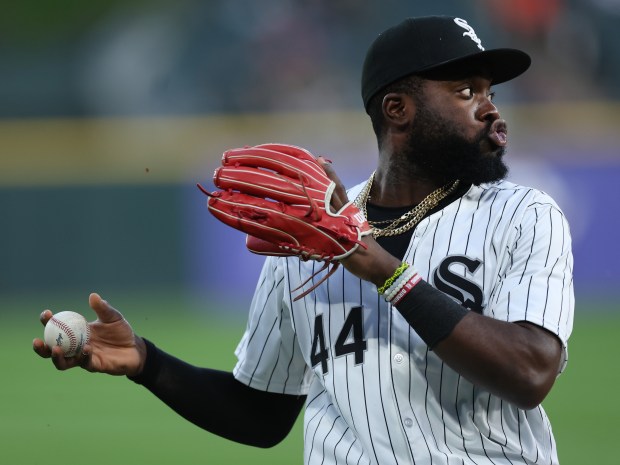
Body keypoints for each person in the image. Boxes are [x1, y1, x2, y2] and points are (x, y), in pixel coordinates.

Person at [34, 15, 574, 465]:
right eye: (465, 92)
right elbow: (262, 413)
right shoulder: (305, 230)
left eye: (489, 91)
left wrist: (384, 271)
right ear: (397, 110)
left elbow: (530, 372)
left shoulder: (523, 214)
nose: (491, 109)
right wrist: (147, 362)